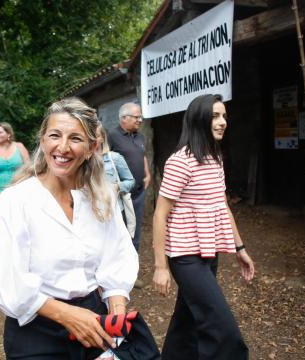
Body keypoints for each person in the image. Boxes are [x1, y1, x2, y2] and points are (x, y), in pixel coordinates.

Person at [0, 97, 139, 359]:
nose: (63, 147)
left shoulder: (102, 197)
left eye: (76, 139)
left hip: (94, 320)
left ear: (92, 147)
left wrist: (116, 304)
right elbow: (8, 279)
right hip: (36, 326)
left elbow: (118, 255)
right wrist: (68, 316)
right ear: (43, 140)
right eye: (55, 135)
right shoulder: (17, 200)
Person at [152, 94, 255, 360]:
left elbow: (223, 206)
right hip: (185, 257)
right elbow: (160, 214)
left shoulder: (215, 159)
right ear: (199, 120)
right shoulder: (180, 162)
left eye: (224, 116)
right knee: (223, 330)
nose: (222, 122)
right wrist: (161, 267)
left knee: (186, 321)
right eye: (215, 116)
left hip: (209, 251)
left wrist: (240, 247)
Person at [108, 102, 151, 287]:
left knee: (135, 234)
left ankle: (131, 275)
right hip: (120, 197)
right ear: (124, 118)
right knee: (118, 233)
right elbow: (104, 158)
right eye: (137, 117)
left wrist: (147, 174)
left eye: (140, 117)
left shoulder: (140, 136)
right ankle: (115, 275)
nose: (140, 120)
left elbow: (142, 155)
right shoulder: (112, 136)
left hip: (138, 195)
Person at [0, 122, 30, 229]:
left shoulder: (19, 147)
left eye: (0, 132)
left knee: (17, 215)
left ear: (8, 134)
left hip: (18, 188)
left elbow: (28, 169)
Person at [97, 123, 136, 237]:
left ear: (102, 138)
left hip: (116, 211)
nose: (92, 139)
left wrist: (117, 186)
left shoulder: (114, 158)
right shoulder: (82, 160)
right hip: (93, 213)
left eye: (96, 135)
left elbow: (130, 181)